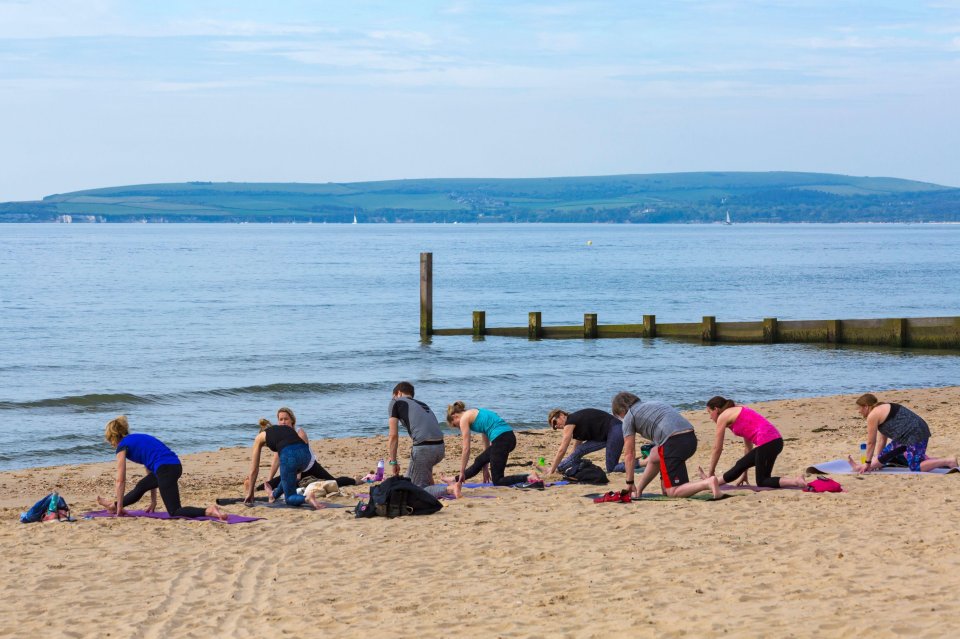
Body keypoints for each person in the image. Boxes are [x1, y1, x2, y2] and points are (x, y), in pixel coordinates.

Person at [97, 415, 227, 520]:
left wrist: (120, 509)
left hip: (165, 469)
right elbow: (152, 474)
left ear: (113, 437)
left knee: (175, 511)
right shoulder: (138, 438)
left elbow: (120, 480)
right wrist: (153, 502)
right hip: (173, 466)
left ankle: (208, 511)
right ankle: (113, 505)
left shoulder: (122, 446)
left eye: (109, 440)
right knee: (142, 486)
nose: (111, 444)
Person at [611, 392, 721, 499]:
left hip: (674, 442)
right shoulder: (653, 404)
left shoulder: (630, 416)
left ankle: (707, 483)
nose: (621, 419)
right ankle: (639, 490)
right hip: (690, 438)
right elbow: (661, 454)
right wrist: (663, 479)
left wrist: (629, 482)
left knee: (672, 492)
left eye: (619, 416)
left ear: (621, 410)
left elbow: (629, 453)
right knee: (654, 454)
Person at [701, 396, 806, 488]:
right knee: (745, 468)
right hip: (776, 442)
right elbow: (748, 446)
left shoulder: (723, 416)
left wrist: (711, 472)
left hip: (767, 443)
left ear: (716, 409)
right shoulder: (738, 410)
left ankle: (795, 481)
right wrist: (744, 474)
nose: (710, 417)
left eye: (709, 413)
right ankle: (713, 482)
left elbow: (717, 448)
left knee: (759, 480)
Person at [254, 408, 357, 502]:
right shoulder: (280, 436)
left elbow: (303, 453)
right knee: (272, 484)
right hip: (293, 468)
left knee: (333, 482)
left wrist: (298, 474)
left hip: (309, 466)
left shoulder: (299, 432)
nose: (283, 422)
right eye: (281, 419)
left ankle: (356, 481)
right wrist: (269, 479)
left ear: (292, 421)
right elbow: (277, 459)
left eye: (286, 419)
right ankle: (255, 488)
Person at [244, 406, 338, 509]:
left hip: (289, 455)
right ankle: (273, 495)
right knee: (288, 477)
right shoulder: (285, 429)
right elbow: (286, 475)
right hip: (306, 456)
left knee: (289, 498)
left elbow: (254, 470)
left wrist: (250, 493)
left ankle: (307, 498)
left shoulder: (259, 438)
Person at [442, 401, 542, 490]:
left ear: (454, 416)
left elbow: (466, 448)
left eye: (455, 425)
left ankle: (529, 477)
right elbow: (487, 447)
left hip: (502, 439)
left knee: (498, 481)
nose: (458, 427)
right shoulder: (475, 413)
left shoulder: (464, 418)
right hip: (508, 437)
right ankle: (454, 479)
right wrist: (485, 469)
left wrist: (462, 471)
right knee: (479, 460)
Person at [848, 393, 957, 473]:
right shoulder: (882, 408)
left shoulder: (872, 415)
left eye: (859, 408)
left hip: (915, 433)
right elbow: (882, 439)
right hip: (905, 436)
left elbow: (871, 442)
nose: (859, 411)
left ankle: (948, 461)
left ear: (866, 406)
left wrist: (868, 462)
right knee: (882, 458)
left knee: (915, 466)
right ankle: (860, 467)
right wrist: (878, 460)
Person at [388, 382, 460, 498]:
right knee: (408, 480)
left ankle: (450, 489)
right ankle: (432, 484)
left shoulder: (396, 401)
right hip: (440, 448)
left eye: (393, 395)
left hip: (424, 450)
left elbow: (393, 436)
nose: (393, 398)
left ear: (398, 393)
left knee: (415, 491)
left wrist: (393, 462)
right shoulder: (422, 404)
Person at [545, 407, 637, 475]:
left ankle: (644, 462)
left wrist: (552, 469)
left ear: (561, 415)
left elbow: (562, 450)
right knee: (580, 450)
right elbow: (576, 450)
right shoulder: (577, 423)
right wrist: (569, 464)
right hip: (607, 435)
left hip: (616, 430)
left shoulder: (570, 421)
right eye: (554, 427)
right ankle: (558, 469)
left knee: (612, 468)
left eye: (555, 422)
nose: (556, 426)